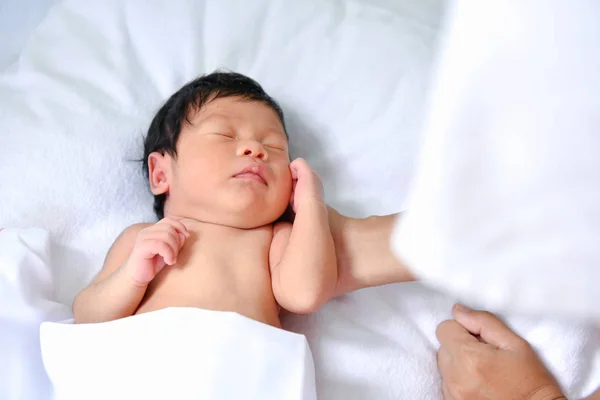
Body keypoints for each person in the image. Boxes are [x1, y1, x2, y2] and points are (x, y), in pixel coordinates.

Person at [73, 71, 338, 328]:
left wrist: (310, 206)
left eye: (274, 147)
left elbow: (305, 293)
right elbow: (86, 315)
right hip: (150, 359)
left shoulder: (273, 238)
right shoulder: (143, 238)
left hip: (246, 364)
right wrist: (131, 277)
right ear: (161, 174)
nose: (256, 150)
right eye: (224, 135)